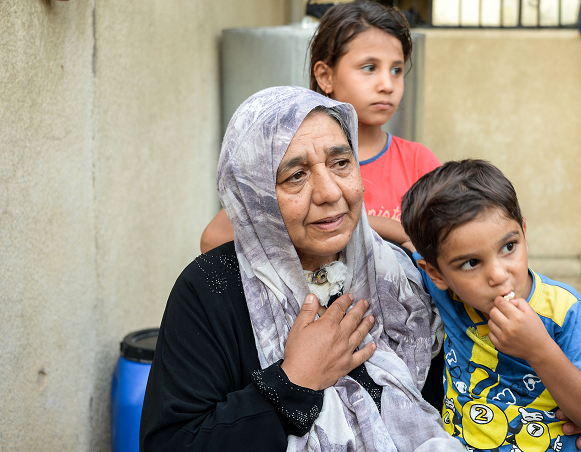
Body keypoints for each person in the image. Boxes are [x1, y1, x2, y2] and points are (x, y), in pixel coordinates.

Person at [140, 86, 465, 451]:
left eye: (341, 163)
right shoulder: (211, 288)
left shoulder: (399, 277)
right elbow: (172, 443)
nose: (329, 192)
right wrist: (292, 383)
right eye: (295, 175)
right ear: (256, 196)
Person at [400, 159, 581, 451]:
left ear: (524, 233)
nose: (499, 274)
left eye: (508, 247)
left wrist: (539, 349)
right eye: (471, 263)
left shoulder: (565, 310)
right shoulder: (448, 295)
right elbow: (399, 239)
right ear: (437, 274)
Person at [200, 1, 440, 253]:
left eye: (396, 70)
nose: (387, 84)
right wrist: (385, 228)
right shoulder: (288, 158)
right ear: (325, 76)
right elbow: (213, 240)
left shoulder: (418, 163)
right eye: (369, 68)